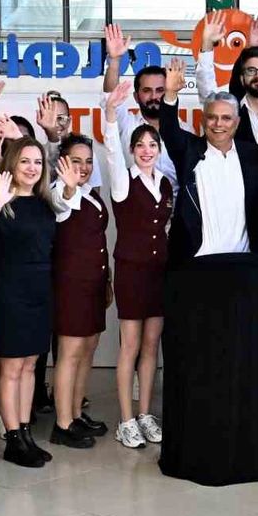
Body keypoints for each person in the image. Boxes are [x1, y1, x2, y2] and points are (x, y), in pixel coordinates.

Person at [157, 60, 258, 486]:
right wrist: (170, 95)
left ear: (236, 122)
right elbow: (169, 131)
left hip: (243, 271)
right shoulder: (190, 151)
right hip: (196, 272)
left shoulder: (250, 155)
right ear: (204, 120)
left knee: (238, 363)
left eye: (226, 118)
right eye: (212, 117)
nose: (218, 124)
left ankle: (240, 437)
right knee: (200, 365)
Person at [0, 138, 61, 468]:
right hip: (9, 290)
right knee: (11, 368)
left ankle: (25, 433)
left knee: (30, 366)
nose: (32, 168)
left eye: (37, 162)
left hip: (40, 290)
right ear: (11, 164)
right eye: (25, 161)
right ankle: (12, 440)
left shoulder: (44, 203)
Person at [99, 83, 172, 449]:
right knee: (129, 346)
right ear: (132, 150)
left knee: (151, 344)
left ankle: (145, 414)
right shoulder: (123, 181)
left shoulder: (165, 183)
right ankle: (126, 419)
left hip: (160, 272)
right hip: (131, 273)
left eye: (152, 145)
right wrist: (111, 114)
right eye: (140, 145)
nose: (146, 151)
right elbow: (111, 150)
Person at [49, 134, 110, 449]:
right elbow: (63, 202)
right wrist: (70, 186)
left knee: (88, 349)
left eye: (88, 161)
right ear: (62, 162)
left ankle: (75, 413)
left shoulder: (89, 192)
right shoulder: (59, 191)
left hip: (94, 285)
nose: (83, 167)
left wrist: (106, 280)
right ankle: (62, 424)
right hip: (71, 286)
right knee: (70, 353)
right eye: (76, 161)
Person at [102, 24, 186, 192]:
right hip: (135, 206)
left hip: (176, 207)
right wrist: (115, 60)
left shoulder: (184, 130)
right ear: (136, 96)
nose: (154, 96)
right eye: (147, 90)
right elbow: (110, 97)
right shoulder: (127, 124)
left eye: (160, 90)